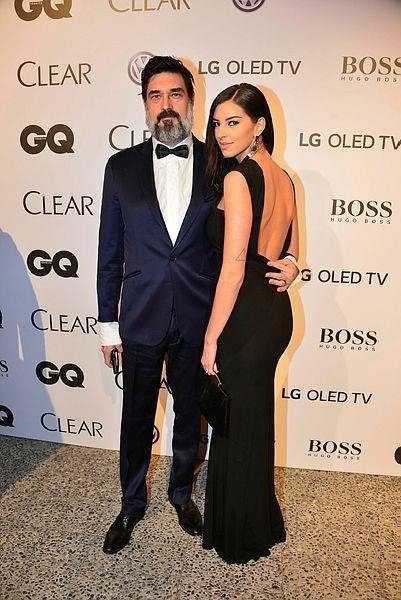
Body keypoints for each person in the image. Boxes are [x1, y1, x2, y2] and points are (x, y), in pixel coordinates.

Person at [97, 57, 299, 555]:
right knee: (136, 416)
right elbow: (109, 250)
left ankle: (182, 495)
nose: (166, 105)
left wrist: (292, 260)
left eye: (176, 94)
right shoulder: (120, 167)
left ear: (191, 100)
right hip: (141, 314)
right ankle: (130, 503)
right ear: (145, 104)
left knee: (192, 414)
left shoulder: (223, 160)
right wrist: (107, 324)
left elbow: (265, 215)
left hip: (202, 314)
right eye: (155, 96)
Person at [201, 83, 299, 564]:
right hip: (274, 313)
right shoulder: (285, 177)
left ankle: (239, 535)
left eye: (233, 122)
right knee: (252, 420)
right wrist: (292, 264)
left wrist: (210, 338)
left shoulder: (240, 179)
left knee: (236, 426)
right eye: (217, 123)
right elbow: (290, 248)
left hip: (245, 316)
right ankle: (259, 520)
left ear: (259, 125)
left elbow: (234, 267)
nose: (222, 132)